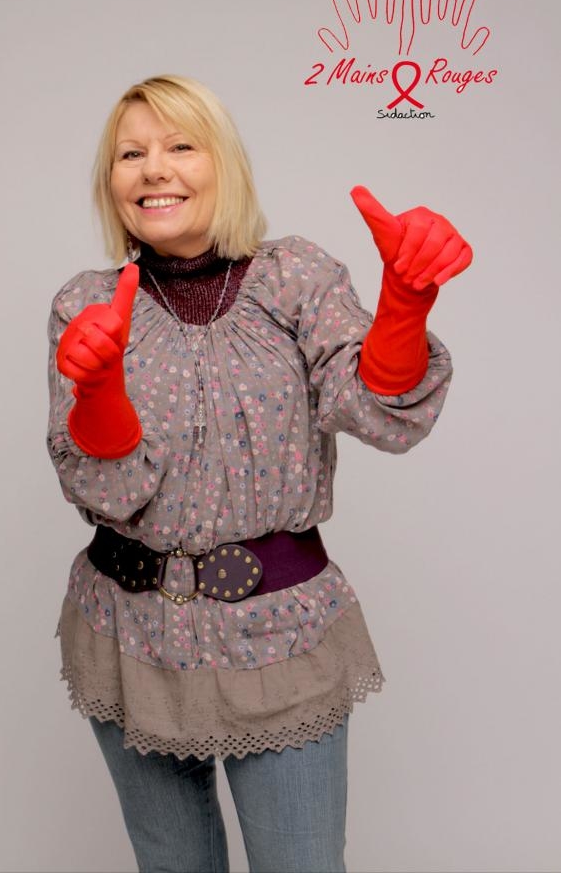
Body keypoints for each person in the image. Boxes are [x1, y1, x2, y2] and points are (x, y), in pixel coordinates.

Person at [47, 75, 472, 873]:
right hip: (128, 631)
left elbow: (372, 407)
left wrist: (405, 307)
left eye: (180, 145)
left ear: (225, 163)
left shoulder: (296, 277)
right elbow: (107, 488)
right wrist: (99, 392)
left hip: (276, 634)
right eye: (130, 154)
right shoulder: (87, 305)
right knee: (172, 866)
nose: (153, 168)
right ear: (111, 182)